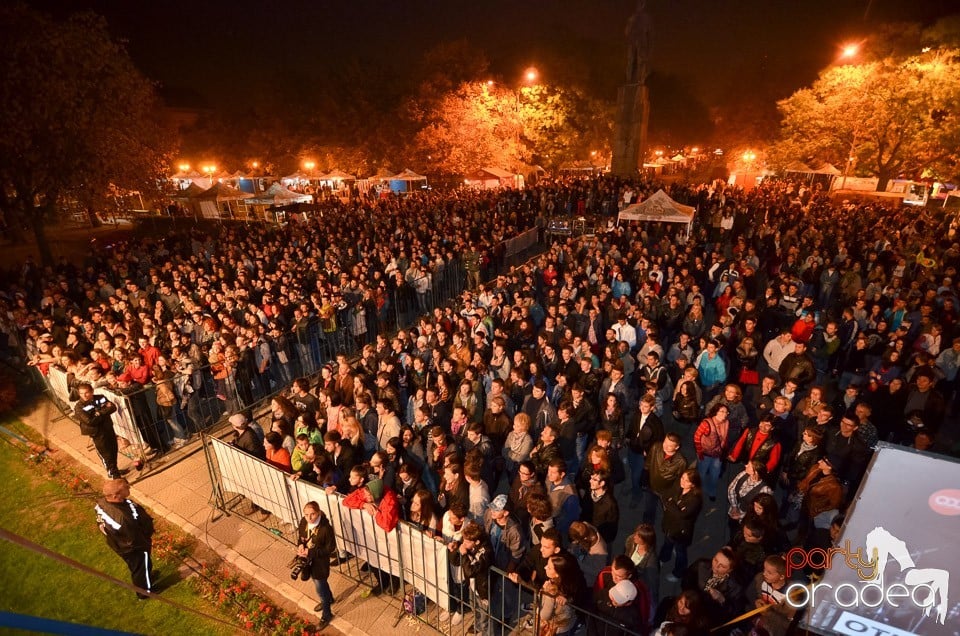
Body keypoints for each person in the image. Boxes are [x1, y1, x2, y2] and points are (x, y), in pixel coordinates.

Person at [95, 478, 155, 599]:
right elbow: (134, 537)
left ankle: (146, 577)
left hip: (122, 544)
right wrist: (146, 542)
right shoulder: (122, 519)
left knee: (142, 566)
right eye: (126, 488)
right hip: (132, 548)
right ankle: (144, 592)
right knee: (139, 568)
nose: (129, 488)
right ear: (115, 495)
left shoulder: (103, 503)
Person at [296, 501, 337, 628]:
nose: (309, 518)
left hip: (320, 563)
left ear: (318, 513)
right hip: (308, 561)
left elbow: (330, 548)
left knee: (320, 589)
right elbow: (301, 537)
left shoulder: (325, 529)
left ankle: (327, 615)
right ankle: (329, 598)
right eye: (306, 514)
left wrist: (311, 551)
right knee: (320, 584)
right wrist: (301, 546)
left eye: (312, 514)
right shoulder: (304, 522)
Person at [659, 468, 704, 582]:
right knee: (667, 543)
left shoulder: (695, 499)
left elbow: (682, 515)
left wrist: (670, 504)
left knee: (680, 552)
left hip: (681, 531)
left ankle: (678, 572)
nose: (682, 482)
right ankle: (663, 558)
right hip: (670, 524)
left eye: (687, 480)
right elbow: (665, 495)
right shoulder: (678, 486)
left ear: (693, 484)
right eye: (682, 478)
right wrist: (673, 506)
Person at [74, 382, 123, 478]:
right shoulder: (79, 407)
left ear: (92, 391)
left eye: (86, 392)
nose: (84, 395)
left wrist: (99, 413)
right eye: (81, 393)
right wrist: (103, 412)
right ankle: (114, 475)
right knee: (106, 454)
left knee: (113, 450)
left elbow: (112, 407)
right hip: (96, 433)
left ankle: (115, 469)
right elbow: (90, 421)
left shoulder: (100, 397)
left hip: (108, 428)